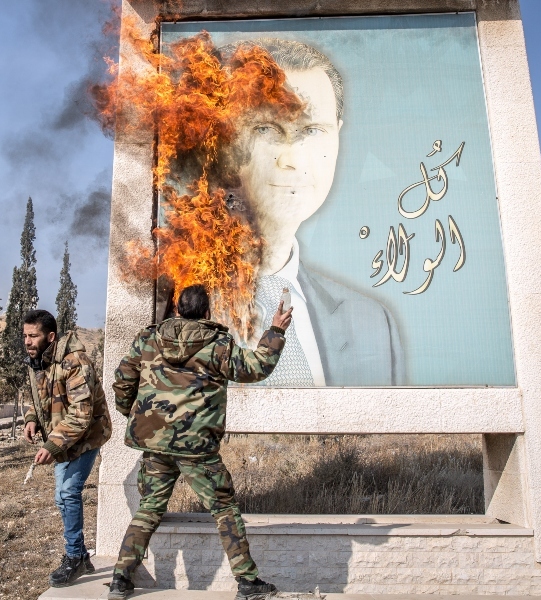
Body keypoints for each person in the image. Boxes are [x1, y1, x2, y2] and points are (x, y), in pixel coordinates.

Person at [219, 38, 404, 387]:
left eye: (312, 130)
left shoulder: (372, 324)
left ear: (338, 134)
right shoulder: (179, 303)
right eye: (266, 129)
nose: (291, 160)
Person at [106, 284, 293, 600]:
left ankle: (120, 580)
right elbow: (257, 367)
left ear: (178, 310)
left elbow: (123, 380)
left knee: (149, 507)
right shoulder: (218, 344)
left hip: (154, 443)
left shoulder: (148, 339)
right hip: (196, 447)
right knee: (223, 507)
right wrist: (275, 330)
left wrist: (135, 416)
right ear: (207, 312)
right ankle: (248, 583)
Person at [20, 309, 112, 587]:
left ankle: (73, 557)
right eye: (24, 335)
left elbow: (82, 415)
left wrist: (52, 444)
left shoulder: (75, 362)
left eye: (33, 336)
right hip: (63, 437)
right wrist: (32, 419)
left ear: (50, 336)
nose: (27, 341)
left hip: (87, 435)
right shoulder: (38, 361)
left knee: (68, 491)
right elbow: (38, 398)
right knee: (61, 498)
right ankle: (82, 556)